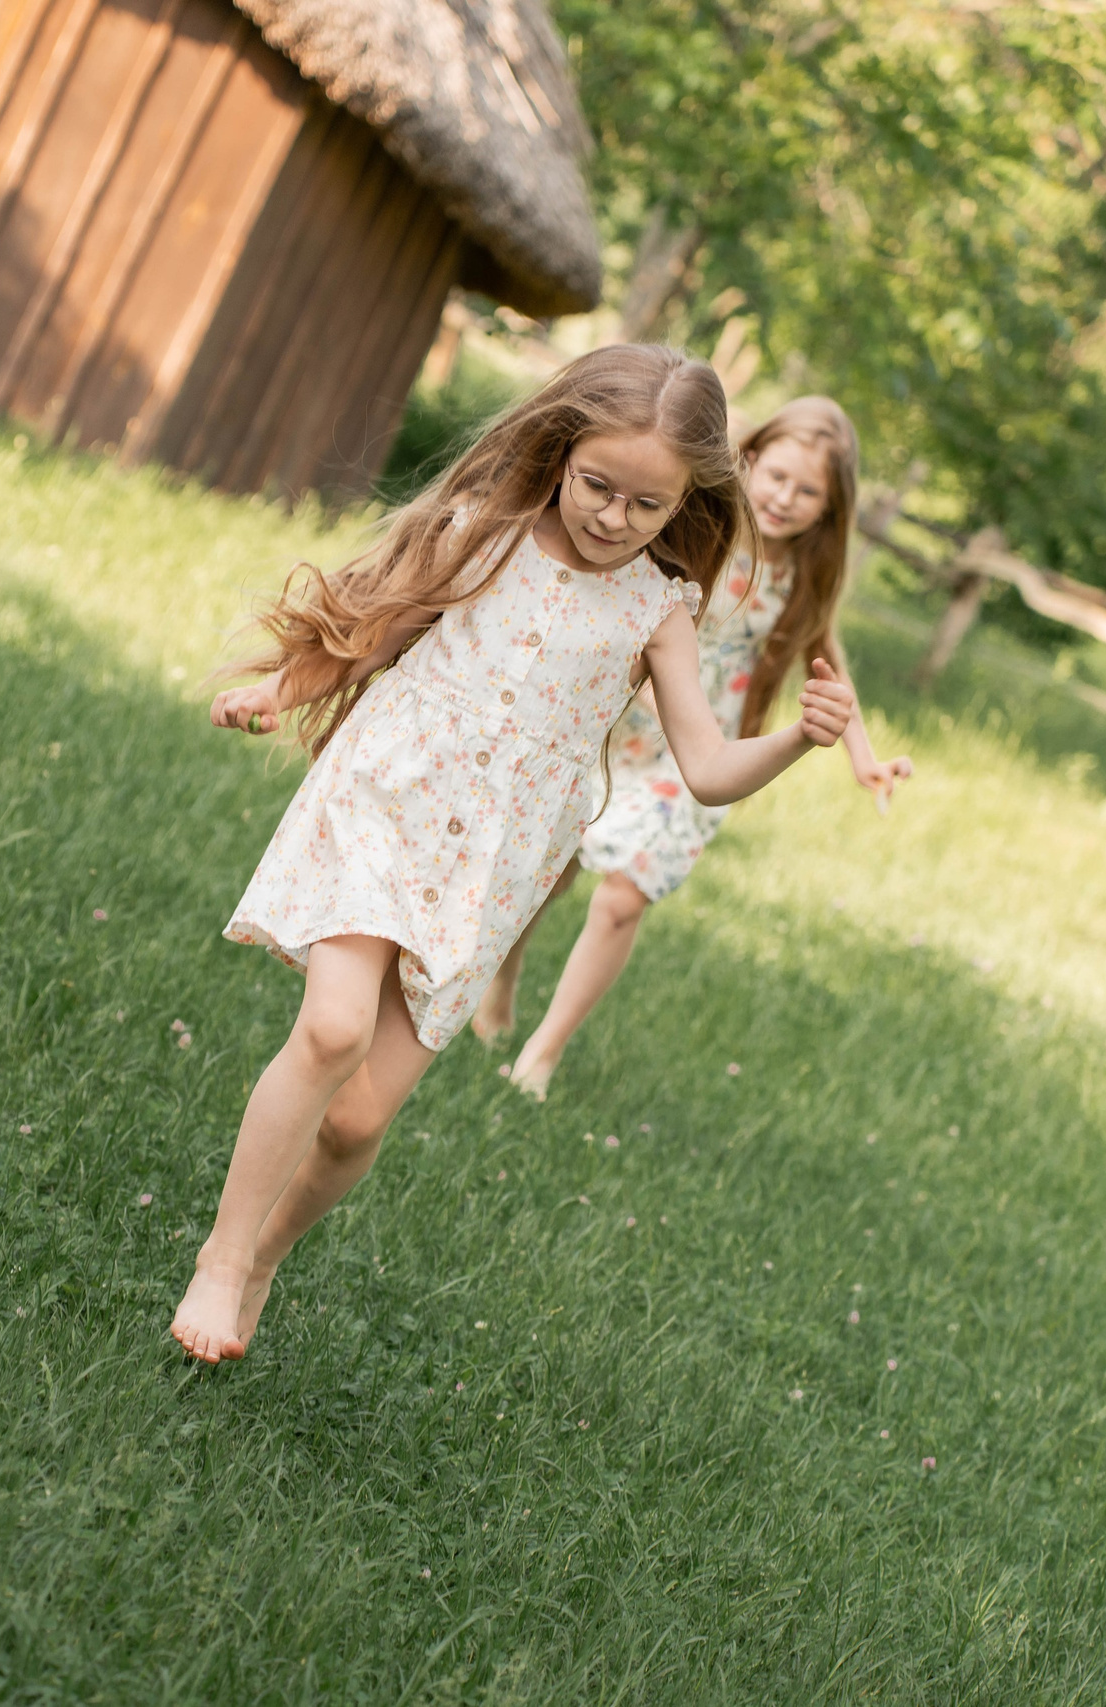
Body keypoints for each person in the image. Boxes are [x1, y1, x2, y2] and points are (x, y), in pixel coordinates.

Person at [169, 346, 856, 1364]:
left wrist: (799, 738)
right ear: (563, 448)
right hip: (390, 799)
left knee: (357, 1122)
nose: (614, 517)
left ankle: (266, 1258)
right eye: (598, 485)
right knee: (332, 1029)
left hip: (491, 867)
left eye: (648, 505)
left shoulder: (659, 610)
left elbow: (707, 768)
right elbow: (369, 634)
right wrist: (279, 691)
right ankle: (221, 1261)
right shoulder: (482, 533)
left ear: (688, 503)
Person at [472, 396, 910, 1100]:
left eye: (807, 493)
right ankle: (502, 982)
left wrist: (864, 758)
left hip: (701, 749)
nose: (784, 499)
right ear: (750, 458)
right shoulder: (706, 521)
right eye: (777, 477)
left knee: (625, 894)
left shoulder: (806, 569)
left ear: (830, 508)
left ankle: (541, 1055)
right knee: (551, 868)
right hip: (621, 715)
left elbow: (825, 656)